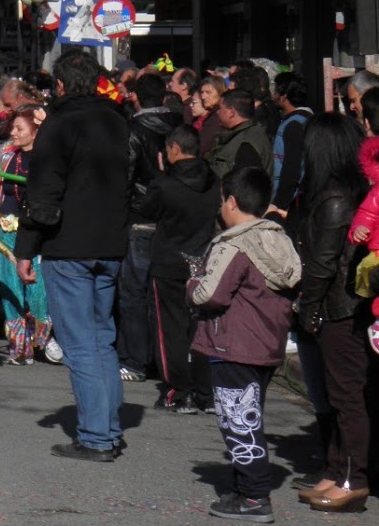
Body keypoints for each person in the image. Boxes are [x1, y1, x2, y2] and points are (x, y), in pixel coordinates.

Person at [16, 50, 131, 462]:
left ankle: (97, 436)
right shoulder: (117, 121)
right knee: (102, 339)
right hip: (111, 243)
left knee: (82, 344)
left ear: (60, 85)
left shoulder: (60, 125)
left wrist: (25, 248)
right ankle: (108, 429)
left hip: (69, 245)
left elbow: (42, 194)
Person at [188, 167, 302, 523]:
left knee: (237, 419)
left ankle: (254, 496)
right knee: (249, 416)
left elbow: (211, 294)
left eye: (223, 200)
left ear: (232, 202)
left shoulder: (235, 244)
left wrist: (192, 282)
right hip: (267, 345)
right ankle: (245, 487)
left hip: (233, 344)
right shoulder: (280, 239)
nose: (221, 206)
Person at [294, 111, 372, 512]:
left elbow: (323, 263)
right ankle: (335, 469)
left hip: (340, 307)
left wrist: (307, 309)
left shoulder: (336, 198)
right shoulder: (340, 191)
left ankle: (353, 479)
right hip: (340, 304)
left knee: (346, 396)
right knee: (338, 393)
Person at [135, 125, 219, 413]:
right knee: (201, 327)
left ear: (173, 149)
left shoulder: (165, 184)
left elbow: (147, 210)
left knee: (170, 328)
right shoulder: (214, 180)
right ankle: (205, 393)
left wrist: (160, 175)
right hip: (204, 260)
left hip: (170, 260)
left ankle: (178, 391)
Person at [0, 107, 61, 366]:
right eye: (12, 128)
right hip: (5, 228)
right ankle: (19, 344)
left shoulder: (50, 157)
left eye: (20, 129)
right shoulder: (4, 154)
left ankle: (43, 338)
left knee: (37, 287)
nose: (13, 133)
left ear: (36, 132)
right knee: (10, 286)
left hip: (37, 229)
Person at [120, 73, 182, 383]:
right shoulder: (180, 125)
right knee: (165, 292)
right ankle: (165, 360)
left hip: (140, 215)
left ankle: (135, 360)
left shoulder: (132, 130)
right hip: (174, 216)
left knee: (134, 291)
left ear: (136, 97)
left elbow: (126, 176)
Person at [206, 89, 272, 179]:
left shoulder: (247, 143)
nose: (218, 112)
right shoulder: (241, 135)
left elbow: (246, 184)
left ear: (231, 112)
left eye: (220, 108)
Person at [272, 72, 313, 213]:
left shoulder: (293, 125)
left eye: (276, 91)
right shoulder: (308, 120)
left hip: (290, 204)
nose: (273, 96)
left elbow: (291, 169)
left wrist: (279, 205)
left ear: (284, 97)